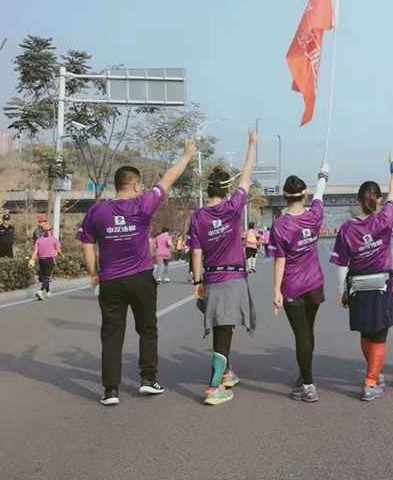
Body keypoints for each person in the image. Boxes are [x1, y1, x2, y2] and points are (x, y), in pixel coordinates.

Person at [77, 138, 197, 407]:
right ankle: (148, 379)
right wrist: (187, 155)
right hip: (141, 278)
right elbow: (168, 179)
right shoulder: (143, 204)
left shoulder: (97, 210)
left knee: (111, 335)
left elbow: (86, 243)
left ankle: (110, 391)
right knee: (147, 329)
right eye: (140, 185)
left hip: (110, 281)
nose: (142, 188)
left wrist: (94, 273)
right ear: (133, 185)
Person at [189, 129, 258, 406]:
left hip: (212, 278)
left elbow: (196, 252)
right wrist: (251, 145)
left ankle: (227, 372)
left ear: (209, 190)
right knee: (223, 330)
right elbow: (246, 177)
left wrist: (197, 282)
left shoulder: (198, 216)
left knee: (222, 326)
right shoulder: (233, 207)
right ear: (226, 190)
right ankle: (214, 386)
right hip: (233, 279)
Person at [331, 157, 393, 401]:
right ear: (378, 200)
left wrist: (341, 290)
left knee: (365, 333)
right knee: (379, 334)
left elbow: (342, 263)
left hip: (357, 286)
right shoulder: (384, 219)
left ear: (358, 199)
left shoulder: (346, 229)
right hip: (383, 285)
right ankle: (371, 382)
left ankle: (375, 372)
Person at [269, 164, 329, 403]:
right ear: (304, 195)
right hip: (314, 284)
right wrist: (323, 175)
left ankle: (308, 384)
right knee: (307, 331)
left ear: (285, 197)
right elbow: (320, 194)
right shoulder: (314, 215)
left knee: (302, 334)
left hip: (292, 287)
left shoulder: (280, 225)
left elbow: (279, 260)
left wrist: (276, 290)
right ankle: (305, 376)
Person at [30, 225, 62, 300]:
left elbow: (35, 252)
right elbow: (58, 250)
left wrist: (32, 259)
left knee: (45, 277)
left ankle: (47, 292)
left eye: (48, 230)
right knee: (47, 277)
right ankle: (41, 291)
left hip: (41, 260)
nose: (47, 231)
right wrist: (62, 255)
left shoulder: (39, 240)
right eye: (46, 230)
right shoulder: (54, 239)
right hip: (50, 260)